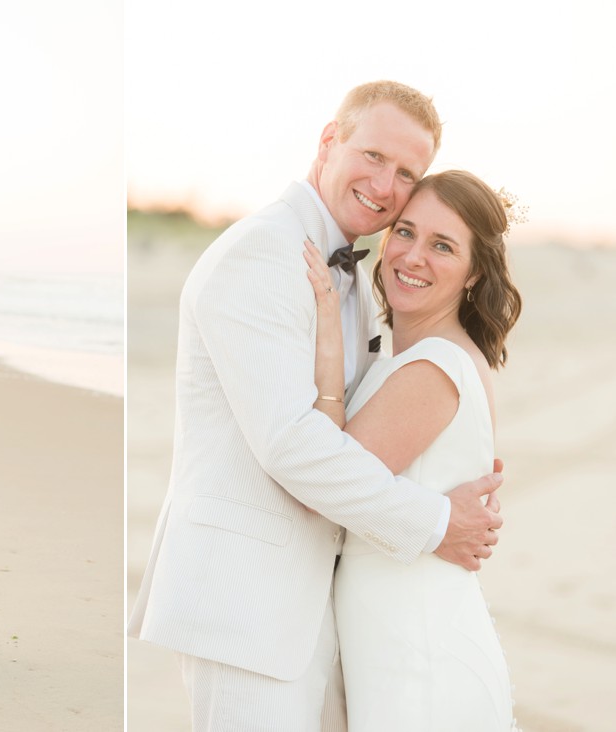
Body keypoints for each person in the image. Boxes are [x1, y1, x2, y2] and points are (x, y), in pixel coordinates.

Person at [127, 81, 505, 730]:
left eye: (406, 173)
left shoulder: (353, 273)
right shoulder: (265, 250)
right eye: (374, 157)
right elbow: (292, 443)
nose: (386, 186)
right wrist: (437, 521)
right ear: (329, 140)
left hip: (309, 612)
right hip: (247, 605)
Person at [303, 170, 522, 730]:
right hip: (398, 647)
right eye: (405, 232)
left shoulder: (434, 368)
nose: (413, 255)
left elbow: (327, 483)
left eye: (442, 245)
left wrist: (328, 339)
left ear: (474, 274)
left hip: (420, 661)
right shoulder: (413, 358)